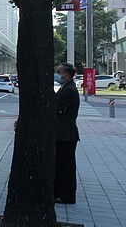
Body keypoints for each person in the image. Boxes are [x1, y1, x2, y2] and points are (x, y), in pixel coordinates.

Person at [54, 62, 80, 204]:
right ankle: (58, 193)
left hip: (66, 134)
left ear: (67, 74)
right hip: (62, 133)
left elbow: (55, 105)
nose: (57, 74)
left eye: (59, 71)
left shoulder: (69, 90)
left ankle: (66, 196)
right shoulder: (66, 87)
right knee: (60, 165)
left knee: (65, 167)